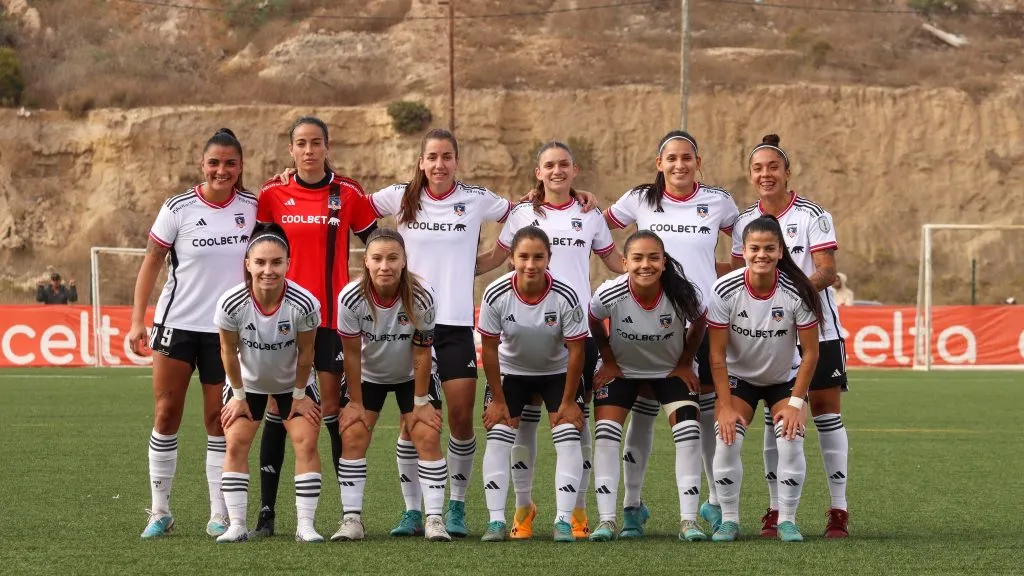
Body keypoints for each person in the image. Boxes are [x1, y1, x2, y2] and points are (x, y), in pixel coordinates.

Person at [367, 128, 512, 537]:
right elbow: (353, 208)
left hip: (455, 325)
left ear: (456, 161)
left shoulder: (476, 198)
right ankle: (414, 511)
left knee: (462, 418)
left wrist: (486, 261)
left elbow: (520, 215)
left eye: (447, 156)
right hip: (408, 324)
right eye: (432, 157)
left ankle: (457, 507)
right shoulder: (400, 196)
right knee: (413, 420)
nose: (439, 164)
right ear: (421, 162)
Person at [474, 141, 623, 539]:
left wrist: (661, 273)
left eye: (563, 165)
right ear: (537, 172)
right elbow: (494, 257)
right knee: (518, 430)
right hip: (521, 338)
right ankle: (521, 511)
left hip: (575, 332)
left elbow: (617, 263)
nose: (556, 171)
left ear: (574, 170)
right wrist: (446, 265)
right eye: (548, 166)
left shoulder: (590, 213)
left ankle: (575, 511)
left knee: (574, 422)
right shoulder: (522, 213)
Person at [602, 130, 739, 536]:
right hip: (645, 324)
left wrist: (723, 281)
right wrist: (620, 268)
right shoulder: (639, 199)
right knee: (642, 416)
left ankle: (715, 503)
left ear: (698, 162)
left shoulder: (718, 201)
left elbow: (743, 244)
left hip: (702, 323)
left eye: (687, 158)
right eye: (672, 158)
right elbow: (597, 228)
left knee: (709, 415)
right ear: (658, 164)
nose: (680, 164)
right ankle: (632, 507)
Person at [250, 116, 379, 538]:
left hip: (331, 321)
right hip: (280, 321)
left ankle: (349, 514)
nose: (309, 150)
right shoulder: (272, 195)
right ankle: (266, 514)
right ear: (291, 150)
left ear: (327, 146)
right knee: (277, 408)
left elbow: (379, 248)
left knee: (329, 408)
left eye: (316, 143)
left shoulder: (349, 193)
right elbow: (256, 255)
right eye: (301, 143)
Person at [128, 128, 258, 539]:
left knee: (217, 421)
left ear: (240, 167)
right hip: (176, 325)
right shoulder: (178, 207)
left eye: (231, 163)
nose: (222, 170)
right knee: (166, 414)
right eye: (215, 163)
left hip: (227, 333)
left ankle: (218, 512)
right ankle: (160, 511)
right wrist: (137, 320)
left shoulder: (254, 207)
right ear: (202, 165)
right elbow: (151, 262)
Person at [731, 134, 850, 539]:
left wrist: (788, 295)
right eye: (758, 168)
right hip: (766, 335)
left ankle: (838, 508)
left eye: (773, 167)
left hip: (821, 329)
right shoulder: (745, 221)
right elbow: (736, 278)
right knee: (776, 417)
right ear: (751, 175)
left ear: (787, 172)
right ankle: (776, 508)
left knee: (825, 414)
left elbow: (826, 270)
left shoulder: (813, 214)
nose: (766, 174)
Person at [587, 230, 708, 542]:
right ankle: (609, 519)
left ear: (664, 262)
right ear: (625, 262)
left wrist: (685, 362)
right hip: (624, 373)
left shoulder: (683, 294)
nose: (646, 265)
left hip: (668, 373)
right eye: (637, 258)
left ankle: (689, 521)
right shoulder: (609, 294)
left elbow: (701, 321)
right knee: (606, 434)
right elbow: (593, 318)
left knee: (689, 432)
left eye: (653, 257)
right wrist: (609, 360)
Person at [331, 229, 451, 542]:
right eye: (378, 258)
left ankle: (434, 518)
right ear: (366, 263)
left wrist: (421, 402)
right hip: (369, 375)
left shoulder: (422, 294)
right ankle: (352, 520)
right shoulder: (350, 297)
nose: (385, 265)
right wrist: (355, 403)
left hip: (412, 375)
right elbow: (352, 354)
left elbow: (423, 350)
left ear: (403, 262)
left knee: (425, 433)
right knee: (354, 434)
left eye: (393, 258)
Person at [709, 214, 823, 543]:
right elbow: (716, 355)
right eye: (755, 248)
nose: (762, 255)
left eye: (770, 249)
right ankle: (729, 519)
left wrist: (797, 403)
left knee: (791, 436)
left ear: (780, 252)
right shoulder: (725, 289)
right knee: (726, 436)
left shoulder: (797, 291)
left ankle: (787, 519)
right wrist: (725, 406)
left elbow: (811, 353)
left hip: (782, 379)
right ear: (743, 250)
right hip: (739, 378)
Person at [214, 223, 324, 543]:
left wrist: (300, 394)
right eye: (260, 262)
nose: (268, 270)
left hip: (294, 383)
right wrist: (237, 395)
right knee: (236, 441)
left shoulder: (304, 303)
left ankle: (305, 526)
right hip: (247, 384)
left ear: (288, 263)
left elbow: (306, 353)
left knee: (305, 441)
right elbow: (227, 351)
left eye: (276, 262)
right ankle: (236, 524)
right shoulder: (231, 303)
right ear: (248, 263)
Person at [477, 226, 588, 542]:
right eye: (523, 256)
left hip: (556, 373)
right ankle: (498, 521)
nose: (530, 264)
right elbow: (488, 349)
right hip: (513, 374)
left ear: (548, 259)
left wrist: (567, 402)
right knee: (499, 435)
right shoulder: (495, 293)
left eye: (538, 257)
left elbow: (577, 350)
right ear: (511, 259)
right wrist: (498, 400)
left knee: (568, 435)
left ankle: (563, 520)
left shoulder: (565, 294)